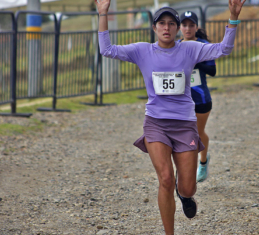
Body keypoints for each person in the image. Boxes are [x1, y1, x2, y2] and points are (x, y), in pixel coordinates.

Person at [95, 0, 246, 234]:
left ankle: (185, 195)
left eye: (171, 24)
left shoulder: (190, 49)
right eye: (162, 23)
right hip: (156, 123)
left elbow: (224, 49)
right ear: (154, 28)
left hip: (185, 124)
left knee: (188, 188)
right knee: (165, 178)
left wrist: (233, 18)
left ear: (177, 29)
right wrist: (102, 13)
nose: (167, 28)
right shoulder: (142, 50)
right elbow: (107, 50)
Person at [178, 11, 215, 183]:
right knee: (184, 134)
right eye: (184, 25)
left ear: (196, 27)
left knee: (198, 133)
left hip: (200, 99)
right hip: (180, 100)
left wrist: (195, 61)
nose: (187, 28)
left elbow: (212, 71)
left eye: (191, 25)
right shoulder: (175, 45)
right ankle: (184, 170)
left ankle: (203, 161)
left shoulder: (203, 45)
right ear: (180, 27)